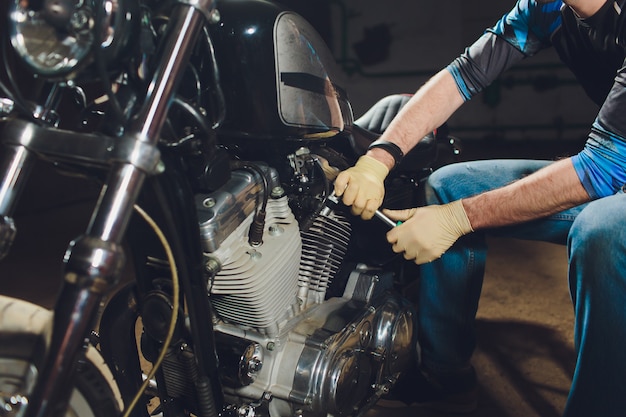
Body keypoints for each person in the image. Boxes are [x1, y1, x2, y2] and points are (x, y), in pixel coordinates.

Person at [334, 0, 626, 416]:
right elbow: (463, 75)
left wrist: (459, 220)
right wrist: (377, 159)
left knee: (603, 228)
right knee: (449, 186)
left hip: (612, 169)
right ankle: (446, 377)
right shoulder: (547, 9)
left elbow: (601, 167)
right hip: (617, 166)